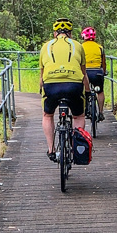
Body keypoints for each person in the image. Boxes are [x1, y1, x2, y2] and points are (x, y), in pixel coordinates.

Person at [39, 19, 89, 161]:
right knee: (78, 116)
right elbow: (83, 73)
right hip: (74, 85)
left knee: (48, 115)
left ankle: (51, 149)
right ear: (70, 34)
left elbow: (42, 77)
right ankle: (76, 148)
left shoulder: (45, 46)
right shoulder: (78, 46)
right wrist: (88, 91)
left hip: (51, 86)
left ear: (55, 33)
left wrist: (42, 91)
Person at [81, 27, 107, 121]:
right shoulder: (100, 47)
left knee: (83, 91)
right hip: (97, 72)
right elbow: (103, 62)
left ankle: (84, 110)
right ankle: (100, 112)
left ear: (84, 37)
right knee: (100, 91)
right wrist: (104, 71)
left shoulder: (81, 47)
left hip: (85, 72)